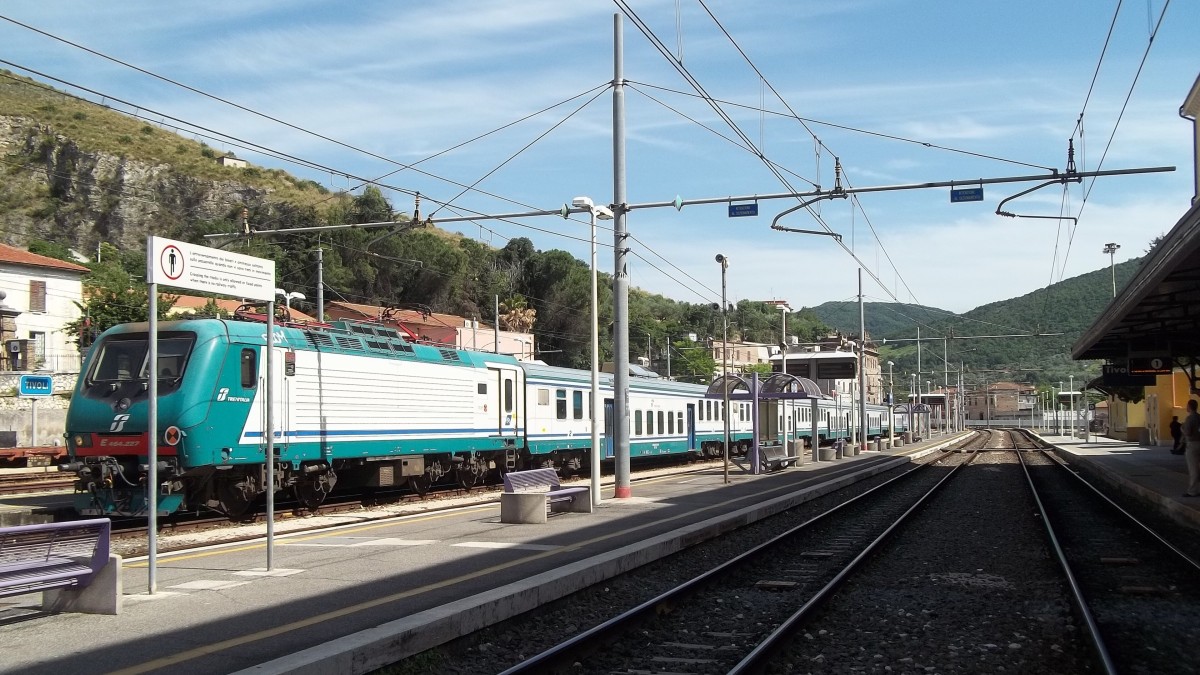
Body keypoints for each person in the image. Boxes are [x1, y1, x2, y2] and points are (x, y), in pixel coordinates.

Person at [1182, 400, 1200, 497]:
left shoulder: (1189, 419)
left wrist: (1182, 429)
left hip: (1192, 444)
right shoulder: (1199, 417)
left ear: (1189, 406)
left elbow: (1188, 433)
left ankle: (1193, 491)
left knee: (1193, 469)